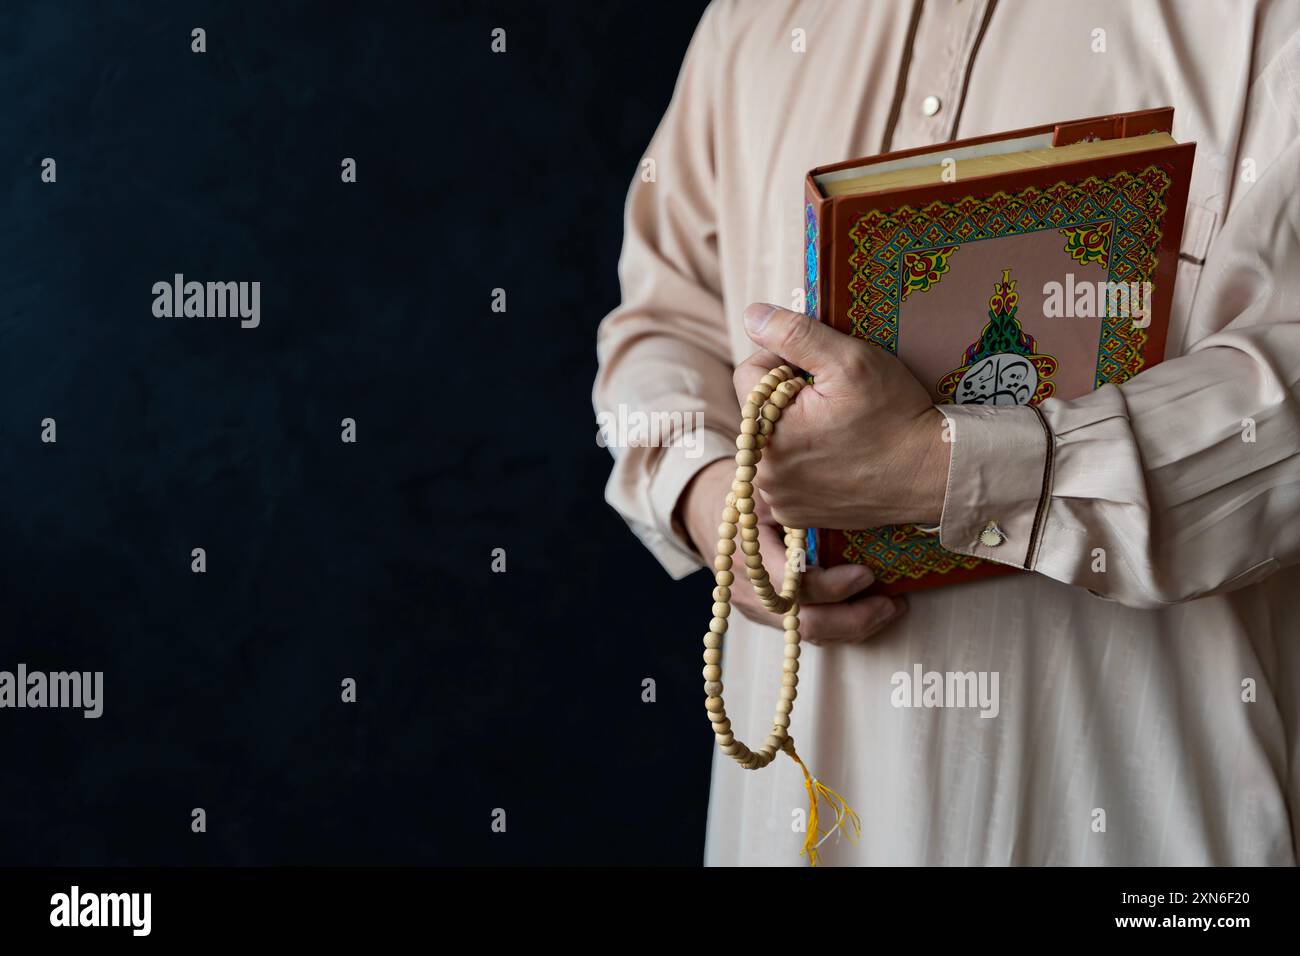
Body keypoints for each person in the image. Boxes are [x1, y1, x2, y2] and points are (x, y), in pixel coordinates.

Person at [593, 0, 1300, 865]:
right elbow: (664, 318)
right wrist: (711, 500)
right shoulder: (750, 17)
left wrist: (942, 471)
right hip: (787, 816)